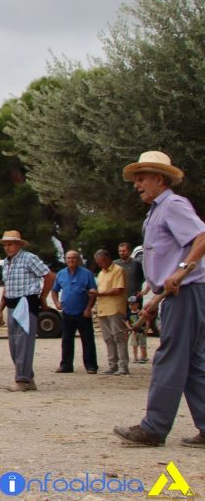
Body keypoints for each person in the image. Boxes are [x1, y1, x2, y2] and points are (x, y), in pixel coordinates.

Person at [113, 151, 205, 448]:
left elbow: (201, 238)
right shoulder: (156, 211)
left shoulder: (173, 205)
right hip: (182, 293)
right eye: (135, 178)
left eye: (141, 178)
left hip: (187, 290)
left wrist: (180, 271)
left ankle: (153, 428)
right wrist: (154, 299)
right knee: (194, 363)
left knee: (170, 358)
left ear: (160, 179)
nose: (136, 184)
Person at [0, 230, 54, 392]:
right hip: (13, 303)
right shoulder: (6, 263)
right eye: (5, 245)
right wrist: (0, 308)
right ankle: (27, 377)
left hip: (26, 302)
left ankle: (22, 379)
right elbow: (7, 288)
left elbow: (49, 276)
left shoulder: (29, 258)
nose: (7, 247)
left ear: (19, 244)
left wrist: (42, 297)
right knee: (14, 344)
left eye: (10, 244)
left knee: (23, 343)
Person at [52, 250, 99, 374]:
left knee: (87, 340)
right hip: (67, 312)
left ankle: (91, 366)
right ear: (65, 260)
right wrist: (56, 303)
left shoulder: (87, 274)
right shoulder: (60, 274)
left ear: (78, 259)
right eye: (68, 258)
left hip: (83, 312)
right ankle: (66, 365)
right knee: (66, 340)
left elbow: (93, 293)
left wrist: (88, 308)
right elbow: (54, 290)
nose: (71, 260)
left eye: (73, 258)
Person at [93, 249, 129, 376]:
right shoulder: (101, 273)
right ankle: (112, 365)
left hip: (115, 308)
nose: (99, 265)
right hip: (103, 309)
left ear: (108, 259)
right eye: (98, 263)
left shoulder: (118, 270)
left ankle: (123, 366)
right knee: (108, 338)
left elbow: (118, 290)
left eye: (101, 262)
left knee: (119, 337)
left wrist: (99, 293)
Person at [127, 296, 149, 364]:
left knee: (142, 345)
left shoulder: (141, 312)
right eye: (130, 304)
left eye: (133, 304)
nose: (131, 305)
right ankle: (135, 357)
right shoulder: (129, 314)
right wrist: (129, 328)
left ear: (137, 304)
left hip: (141, 330)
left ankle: (143, 357)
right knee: (134, 345)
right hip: (133, 331)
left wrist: (147, 329)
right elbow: (126, 321)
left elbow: (147, 320)